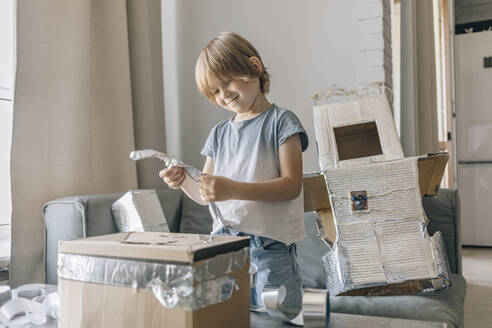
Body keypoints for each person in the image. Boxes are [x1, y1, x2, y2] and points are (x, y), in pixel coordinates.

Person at [160, 32, 308, 319]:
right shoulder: (219, 133)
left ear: (254, 67)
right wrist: (183, 181)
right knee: (228, 316)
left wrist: (232, 189)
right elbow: (206, 194)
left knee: (280, 317)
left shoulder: (282, 122)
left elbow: (291, 186)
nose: (223, 95)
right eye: (214, 91)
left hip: (270, 249)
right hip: (224, 247)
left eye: (226, 82)